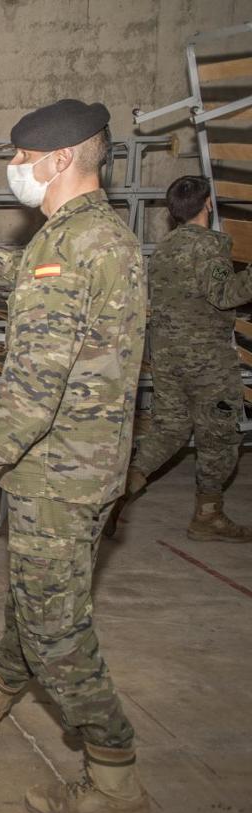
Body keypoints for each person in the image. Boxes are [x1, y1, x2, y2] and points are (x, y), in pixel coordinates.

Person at [0, 101, 154, 813]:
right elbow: (45, 281)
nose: (15, 169)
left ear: (60, 160)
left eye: (22, 157)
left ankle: (115, 784)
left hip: (57, 472)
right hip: (85, 470)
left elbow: (35, 384)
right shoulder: (97, 237)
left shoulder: (70, 249)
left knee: (58, 632)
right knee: (33, 598)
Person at [107, 175, 252, 542]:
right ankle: (208, 515)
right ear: (208, 205)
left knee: (170, 427)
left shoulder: (165, 248)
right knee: (219, 434)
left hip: (168, 355)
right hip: (207, 359)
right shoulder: (210, 248)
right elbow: (225, 294)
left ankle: (123, 487)